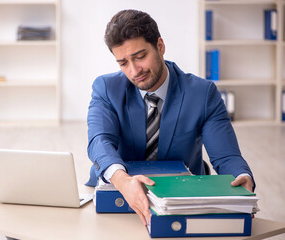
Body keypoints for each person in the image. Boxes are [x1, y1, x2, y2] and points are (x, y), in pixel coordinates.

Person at [86, 9, 255, 226]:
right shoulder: (106, 88)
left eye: (140, 57)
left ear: (160, 46)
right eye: (123, 63)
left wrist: (242, 177)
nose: (134, 70)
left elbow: (226, 156)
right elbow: (99, 140)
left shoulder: (203, 94)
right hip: (116, 192)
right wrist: (122, 179)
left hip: (182, 200)